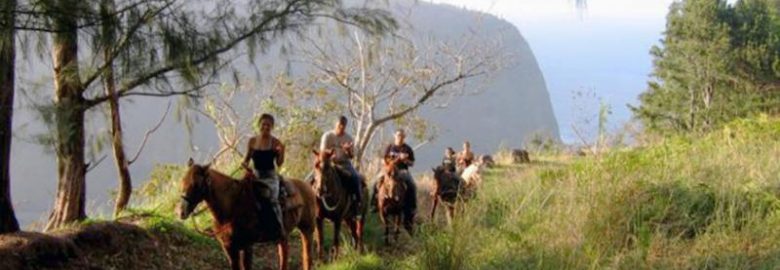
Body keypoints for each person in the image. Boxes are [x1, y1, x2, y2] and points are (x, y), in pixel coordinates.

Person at [242, 114, 286, 240]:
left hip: (270, 177)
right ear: (259, 125)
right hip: (255, 175)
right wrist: (245, 166)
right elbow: (246, 159)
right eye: (263, 124)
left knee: (272, 199)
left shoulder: (276, 142)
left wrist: (282, 151)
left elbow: (279, 163)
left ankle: (279, 229)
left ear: (272, 127)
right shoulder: (252, 141)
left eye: (268, 125)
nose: (265, 127)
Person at [320, 116, 363, 216]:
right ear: (336, 124)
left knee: (355, 178)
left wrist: (347, 150)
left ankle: (357, 203)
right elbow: (322, 150)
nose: (341, 127)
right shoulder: (327, 136)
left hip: (344, 164)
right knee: (314, 176)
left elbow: (351, 156)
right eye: (340, 125)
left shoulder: (348, 138)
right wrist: (329, 152)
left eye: (343, 125)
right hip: (329, 162)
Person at [378, 129, 417, 215]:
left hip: (402, 171)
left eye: (402, 136)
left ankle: (412, 206)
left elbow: (412, 163)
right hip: (388, 169)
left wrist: (405, 160)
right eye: (398, 135)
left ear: (404, 137)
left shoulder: (407, 149)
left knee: (412, 185)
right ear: (394, 136)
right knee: (376, 181)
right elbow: (382, 159)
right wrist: (386, 162)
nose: (400, 137)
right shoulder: (390, 147)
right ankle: (374, 203)